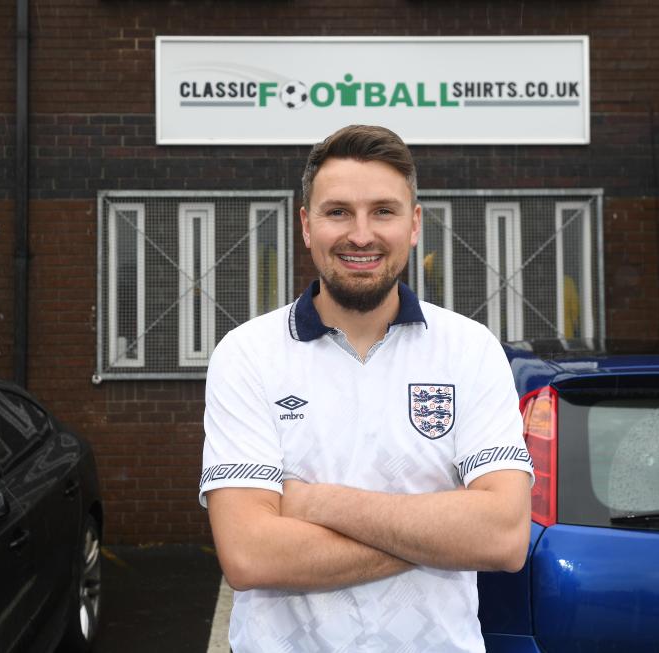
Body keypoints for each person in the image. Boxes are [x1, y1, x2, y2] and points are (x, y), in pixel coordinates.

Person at [200, 124, 534, 652]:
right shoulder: (247, 355)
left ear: (415, 223)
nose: (361, 234)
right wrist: (443, 534)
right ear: (307, 226)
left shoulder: (470, 349)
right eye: (338, 212)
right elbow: (250, 555)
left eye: (383, 210)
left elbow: (505, 538)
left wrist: (318, 503)